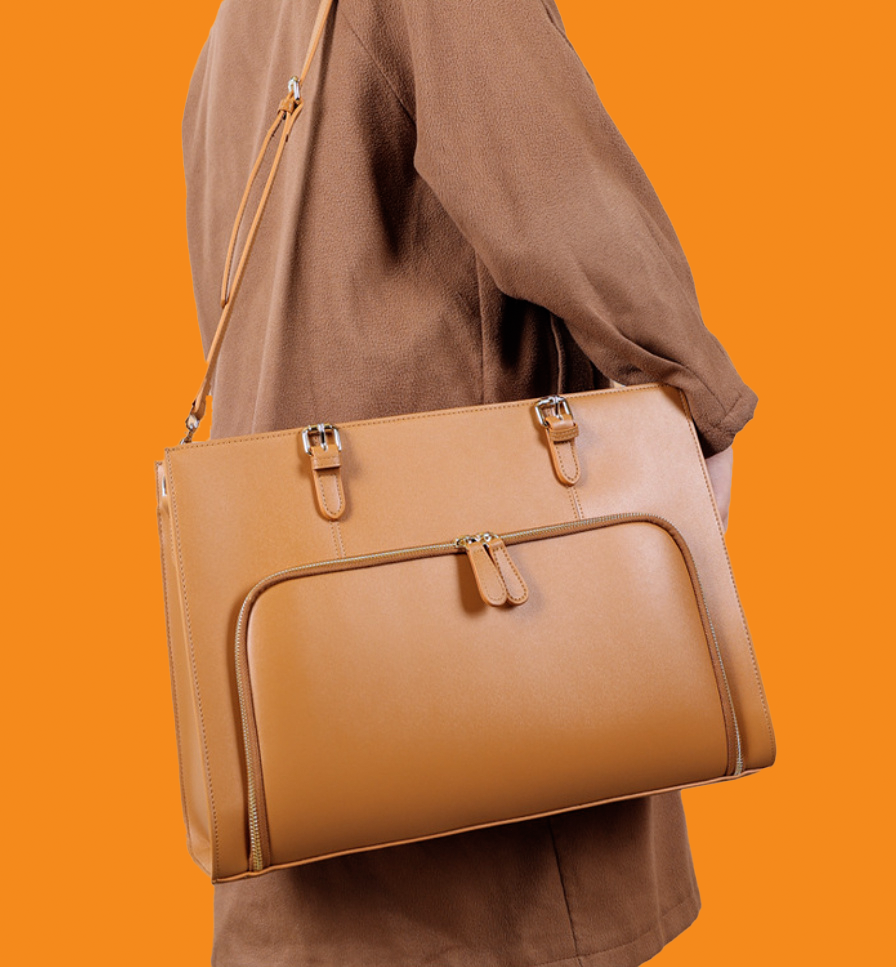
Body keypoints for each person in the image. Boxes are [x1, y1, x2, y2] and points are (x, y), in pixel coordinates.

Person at [181, 1, 756, 965]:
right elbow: (563, 199)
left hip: (307, 694)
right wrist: (698, 398)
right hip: (475, 646)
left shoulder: (236, 28)